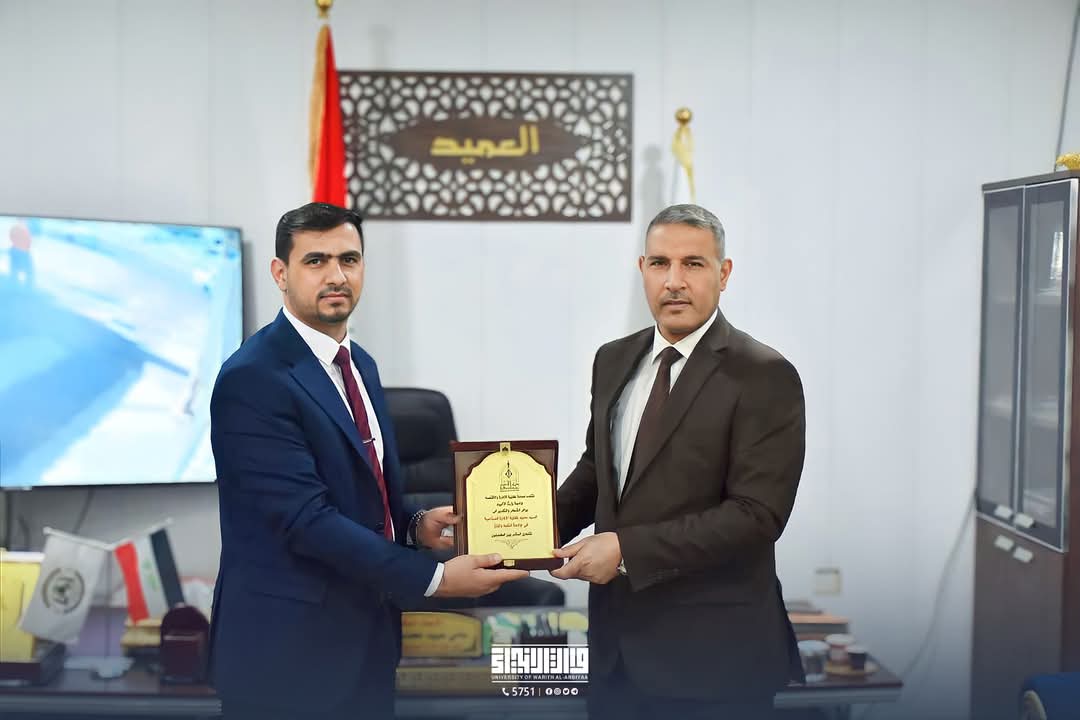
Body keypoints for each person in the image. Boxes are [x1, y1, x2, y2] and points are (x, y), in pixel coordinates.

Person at [208, 202, 528, 720]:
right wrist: (436, 578)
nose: (336, 275)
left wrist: (415, 524)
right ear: (280, 273)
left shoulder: (360, 365)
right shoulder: (254, 377)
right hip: (285, 662)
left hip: (367, 647)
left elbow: (362, 493)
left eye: (349, 259)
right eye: (316, 261)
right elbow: (305, 520)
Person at [552, 204, 806, 719]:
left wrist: (624, 549)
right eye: (660, 263)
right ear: (642, 268)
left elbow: (757, 516)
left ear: (723, 273)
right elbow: (599, 471)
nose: (674, 281)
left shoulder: (764, 374)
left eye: (693, 264)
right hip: (616, 657)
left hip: (714, 663)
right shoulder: (613, 359)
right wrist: (520, 532)